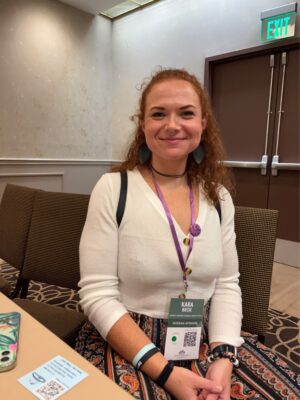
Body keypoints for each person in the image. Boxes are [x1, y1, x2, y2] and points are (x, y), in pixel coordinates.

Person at [75, 69, 299, 400]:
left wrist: (223, 359)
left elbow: (226, 285)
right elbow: (97, 294)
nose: (172, 125)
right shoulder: (113, 189)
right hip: (128, 335)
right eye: (158, 114)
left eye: (186, 113)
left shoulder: (218, 197)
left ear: (203, 124)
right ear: (143, 125)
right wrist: (164, 371)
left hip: (206, 333)